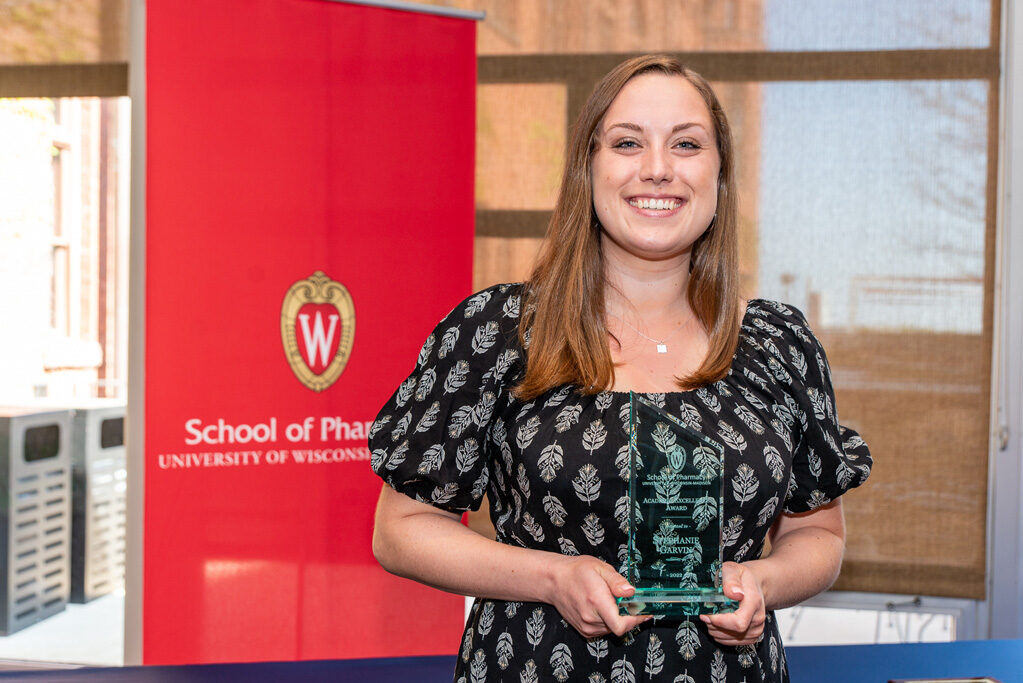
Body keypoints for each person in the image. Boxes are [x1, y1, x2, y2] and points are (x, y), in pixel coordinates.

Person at [369, 54, 871, 682]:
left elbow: (819, 536)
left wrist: (761, 580)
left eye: (686, 144)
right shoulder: (494, 330)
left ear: (719, 174)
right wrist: (553, 578)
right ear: (589, 167)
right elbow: (403, 530)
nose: (657, 169)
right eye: (628, 142)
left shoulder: (779, 344)